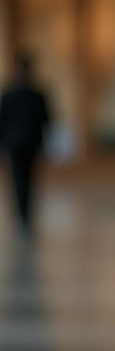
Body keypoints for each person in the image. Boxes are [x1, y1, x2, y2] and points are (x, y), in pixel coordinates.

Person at [0, 53, 50, 237]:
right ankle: (23, 215)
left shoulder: (13, 94)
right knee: (24, 180)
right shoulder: (35, 95)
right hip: (25, 144)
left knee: (22, 180)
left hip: (19, 144)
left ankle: (23, 215)